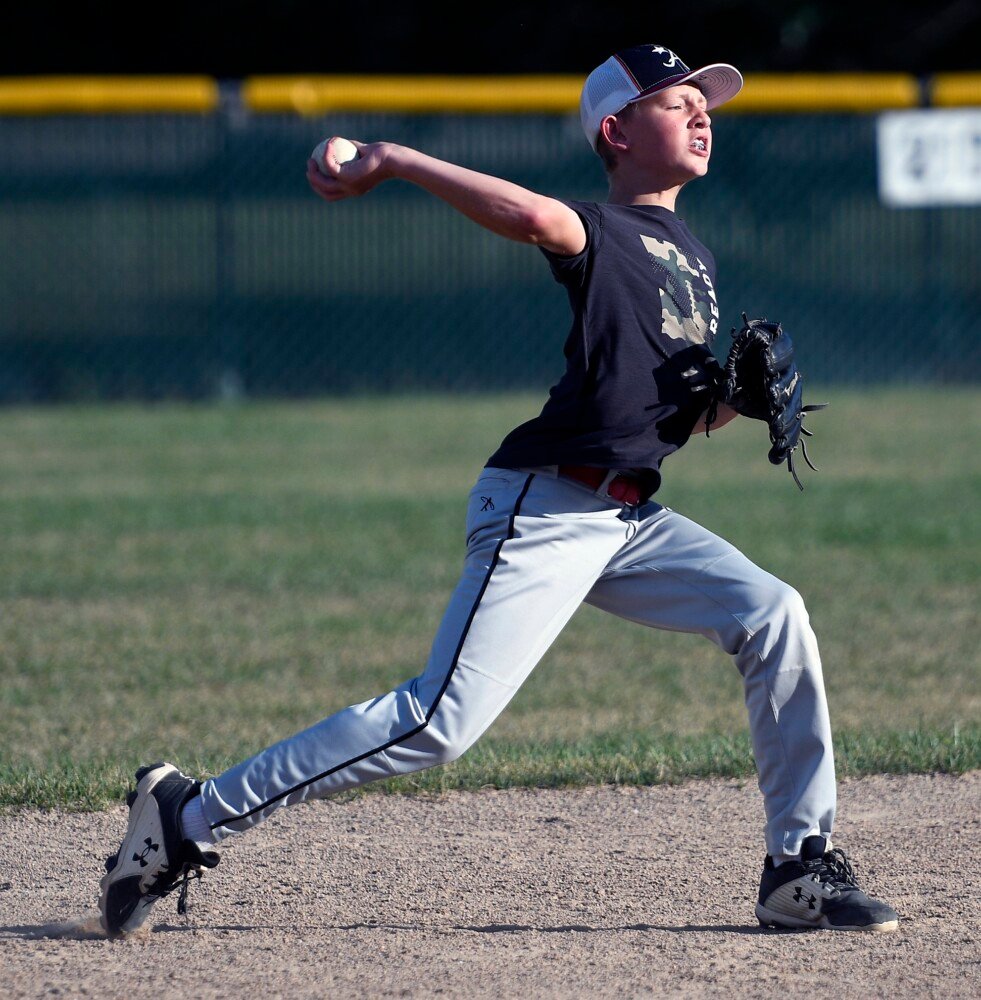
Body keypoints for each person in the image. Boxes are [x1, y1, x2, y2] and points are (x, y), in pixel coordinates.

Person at [99, 43, 899, 936]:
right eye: (676, 103)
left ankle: (797, 868)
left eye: (702, 103)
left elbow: (660, 413)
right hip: (544, 504)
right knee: (436, 720)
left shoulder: (694, 258)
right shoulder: (597, 229)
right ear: (616, 131)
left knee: (773, 612)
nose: (701, 112)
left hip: (626, 514)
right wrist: (393, 159)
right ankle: (189, 814)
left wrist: (733, 405)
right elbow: (526, 216)